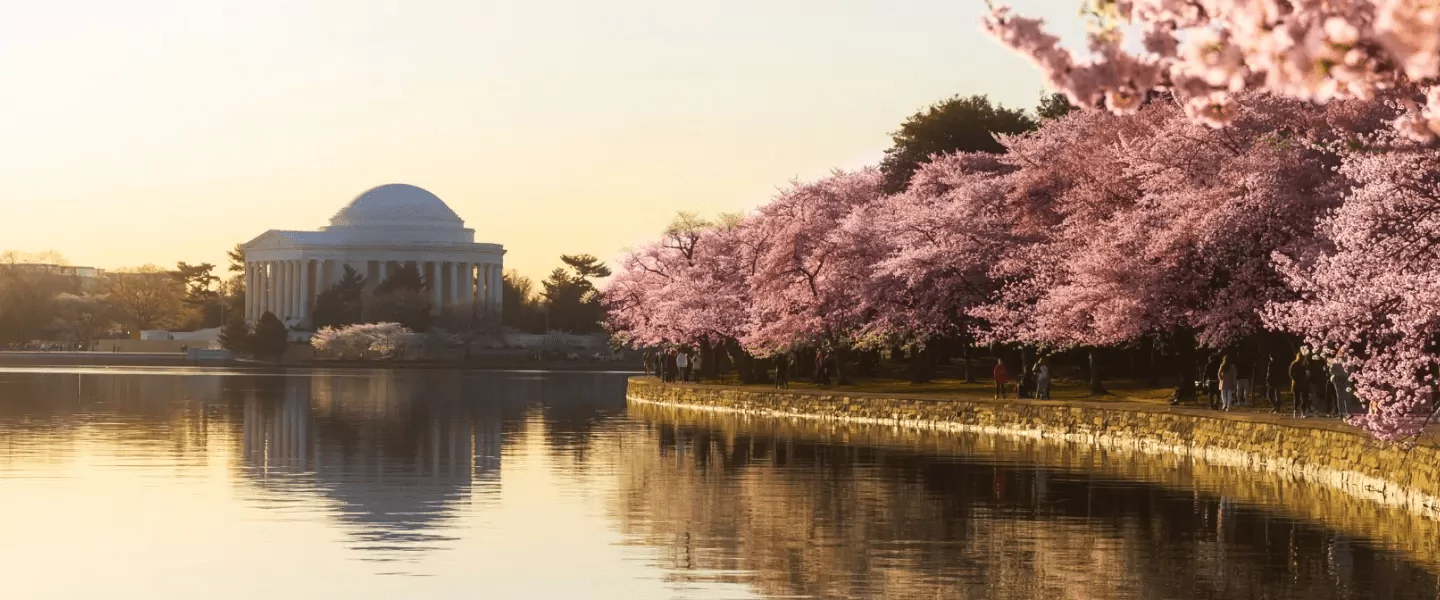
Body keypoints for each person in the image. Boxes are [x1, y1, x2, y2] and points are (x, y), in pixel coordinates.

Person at [1289, 352, 1311, 418]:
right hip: (1297, 383)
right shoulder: (1295, 364)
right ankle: (1296, 411)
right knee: (1297, 398)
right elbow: (1291, 373)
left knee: (1304, 398)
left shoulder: (1306, 364)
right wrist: (1296, 379)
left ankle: (1302, 412)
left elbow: (1308, 372)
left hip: (1304, 383)